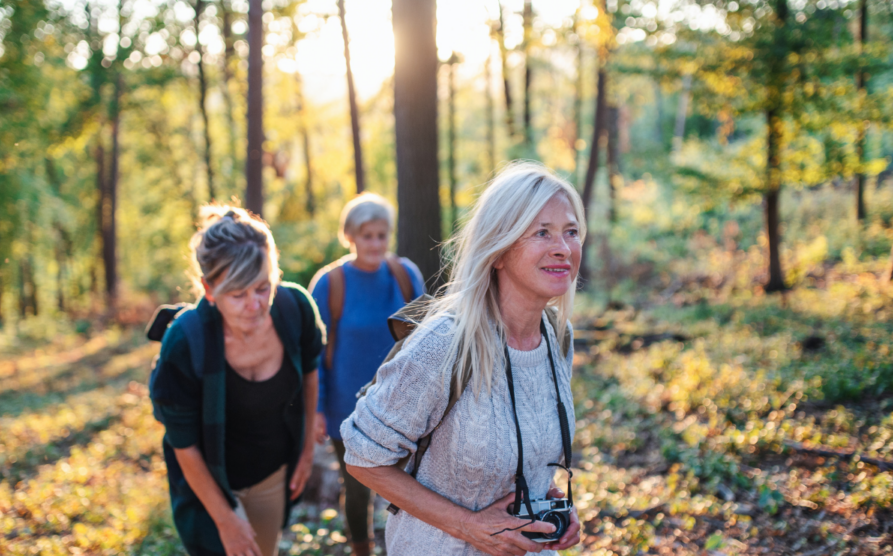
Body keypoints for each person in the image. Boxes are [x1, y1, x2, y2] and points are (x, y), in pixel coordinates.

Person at [340, 162, 586, 556]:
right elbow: (362, 456)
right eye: (542, 232)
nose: (563, 247)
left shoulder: (557, 335)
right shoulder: (446, 343)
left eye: (570, 232)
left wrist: (550, 502)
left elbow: (525, 451)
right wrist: (470, 526)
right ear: (499, 250)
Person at [150, 205, 325, 556]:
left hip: (271, 475)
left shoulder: (296, 310)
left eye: (263, 287)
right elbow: (183, 444)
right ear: (209, 289)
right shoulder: (185, 342)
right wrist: (226, 520)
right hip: (207, 482)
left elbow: (309, 376)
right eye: (238, 294)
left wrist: (306, 451)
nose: (255, 305)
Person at [308, 192, 425, 555]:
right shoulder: (331, 284)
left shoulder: (405, 275)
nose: (375, 244)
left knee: (410, 485)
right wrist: (316, 410)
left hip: (402, 403)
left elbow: (427, 338)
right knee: (358, 488)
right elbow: (314, 354)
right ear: (351, 236)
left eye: (381, 235)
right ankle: (363, 550)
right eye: (366, 236)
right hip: (348, 408)